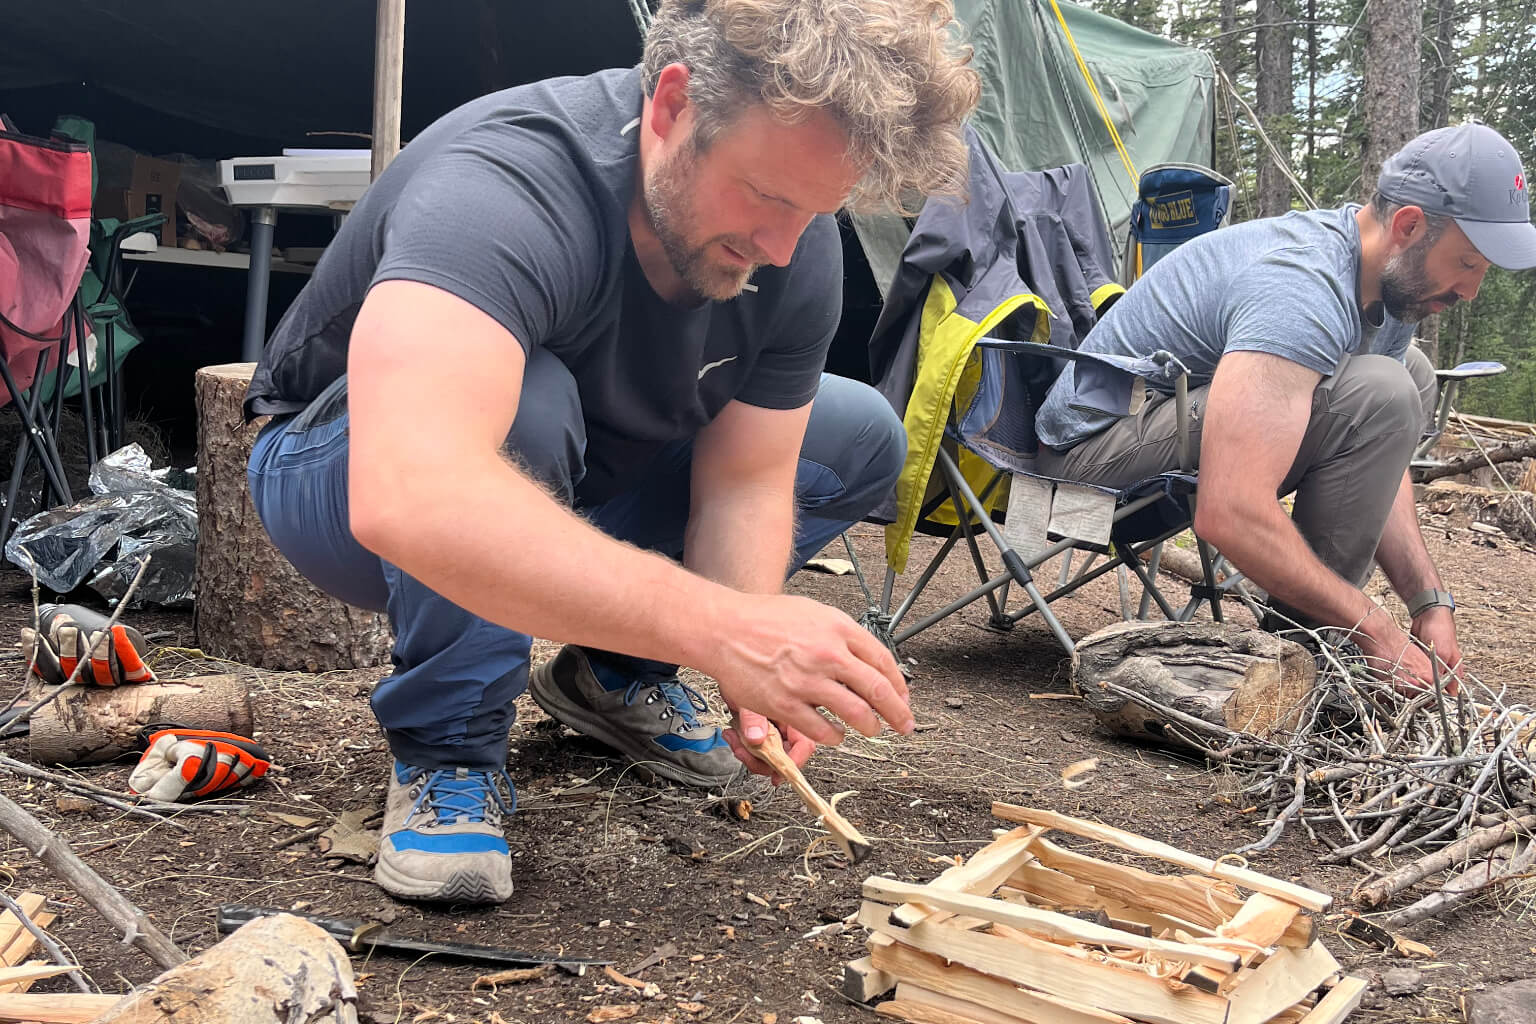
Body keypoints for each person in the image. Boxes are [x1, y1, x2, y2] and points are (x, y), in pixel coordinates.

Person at [243, 0, 980, 904]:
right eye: (769, 197)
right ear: (673, 107)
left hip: (582, 468)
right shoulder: (507, 182)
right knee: (525, 404)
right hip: (339, 471)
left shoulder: (794, 246)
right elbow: (416, 488)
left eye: (816, 211)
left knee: (856, 429)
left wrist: (742, 655)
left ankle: (616, 675)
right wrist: (726, 626)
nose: (780, 249)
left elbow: (747, 482)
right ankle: (449, 749)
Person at [1036, 123, 1536, 688]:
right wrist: (1373, 626)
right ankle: (1305, 661)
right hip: (1082, 467)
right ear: (1408, 226)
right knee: (1382, 392)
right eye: (1467, 264)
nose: (1470, 291)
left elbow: (1383, 464)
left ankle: (1306, 649)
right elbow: (1229, 510)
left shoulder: (1389, 287)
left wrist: (1427, 601)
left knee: (1408, 376)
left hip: (1165, 435)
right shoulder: (1302, 287)